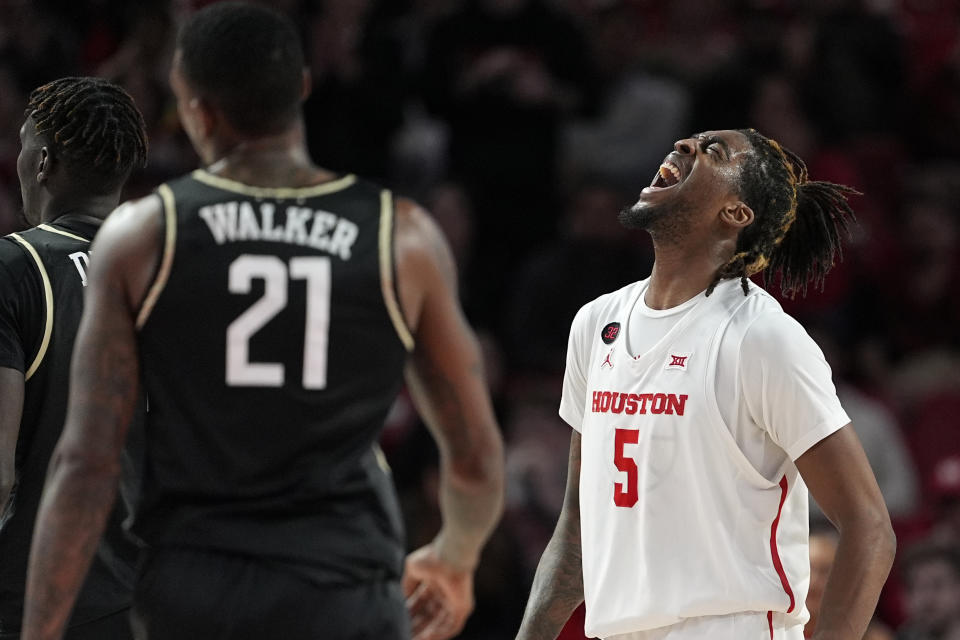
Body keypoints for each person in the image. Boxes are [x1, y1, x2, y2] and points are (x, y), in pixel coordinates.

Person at [22, 4, 504, 640]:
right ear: (303, 86)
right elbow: (472, 455)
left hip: (195, 590)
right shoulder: (401, 234)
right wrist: (455, 560)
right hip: (343, 589)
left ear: (193, 105)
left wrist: (40, 630)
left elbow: (86, 464)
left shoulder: (143, 234)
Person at [515, 129, 896, 640]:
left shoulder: (762, 337)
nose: (684, 145)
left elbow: (869, 526)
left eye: (714, 150)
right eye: (690, 140)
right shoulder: (594, 324)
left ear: (736, 214)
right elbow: (577, 528)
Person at [0, 77, 147, 640]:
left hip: (37, 600)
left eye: (20, 145)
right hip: (148, 597)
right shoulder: (167, 280)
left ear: (42, 163)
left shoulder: (16, 268)